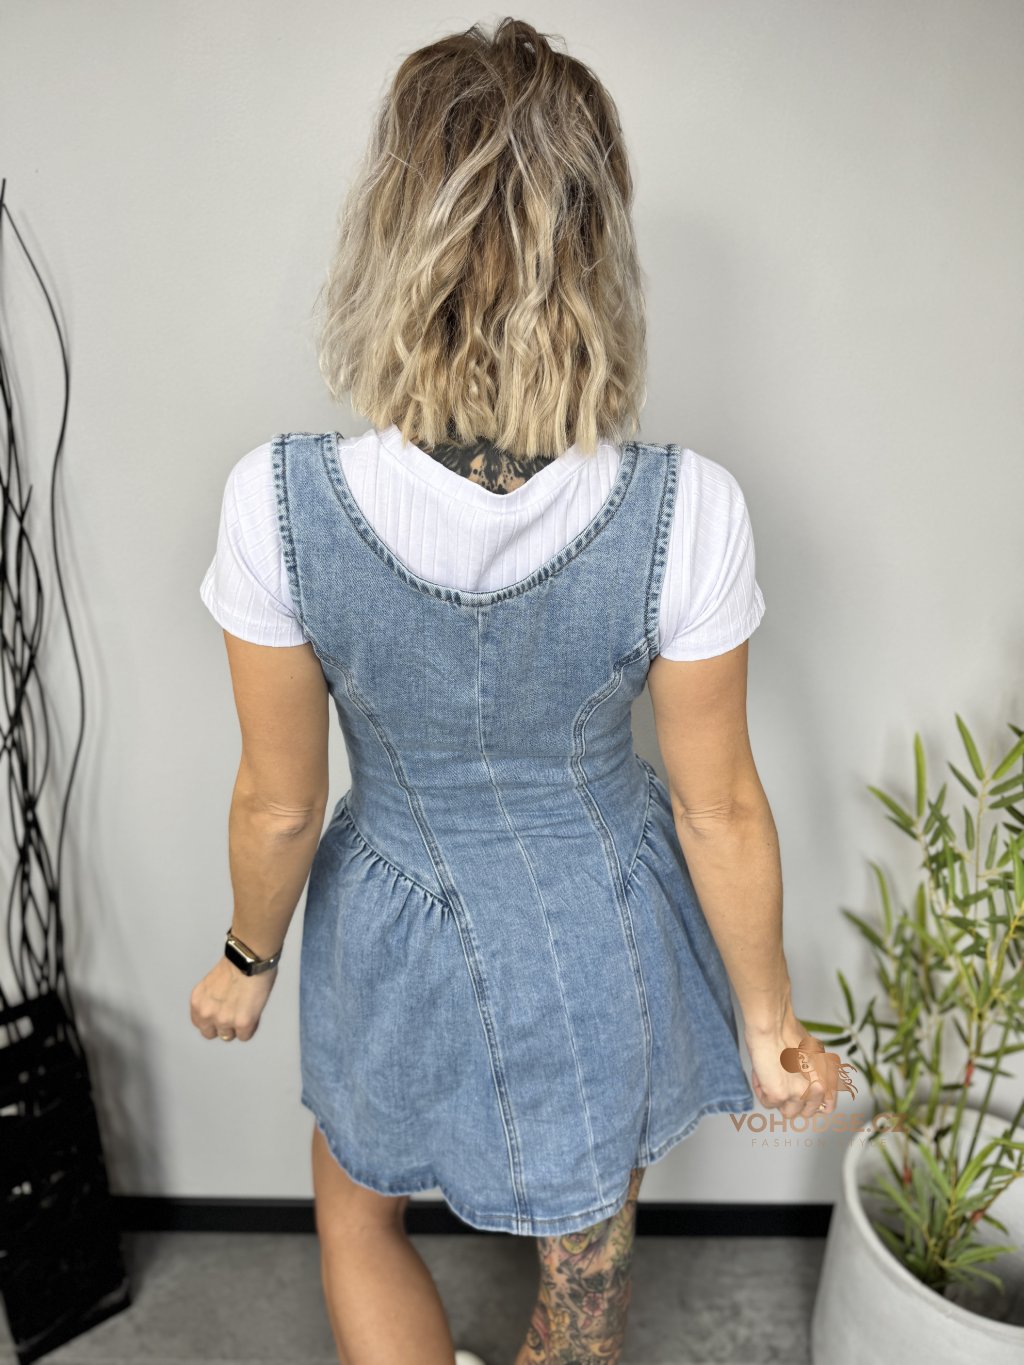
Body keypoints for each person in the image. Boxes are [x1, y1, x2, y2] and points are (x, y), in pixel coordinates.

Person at [190, 17, 835, 1365]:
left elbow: (279, 804)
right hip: (605, 930)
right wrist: (770, 1021)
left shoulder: (278, 502)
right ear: (597, 252)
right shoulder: (689, 510)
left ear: (389, 235)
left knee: (358, 1220)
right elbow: (718, 807)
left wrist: (248, 959)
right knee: (584, 1277)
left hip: (393, 924)